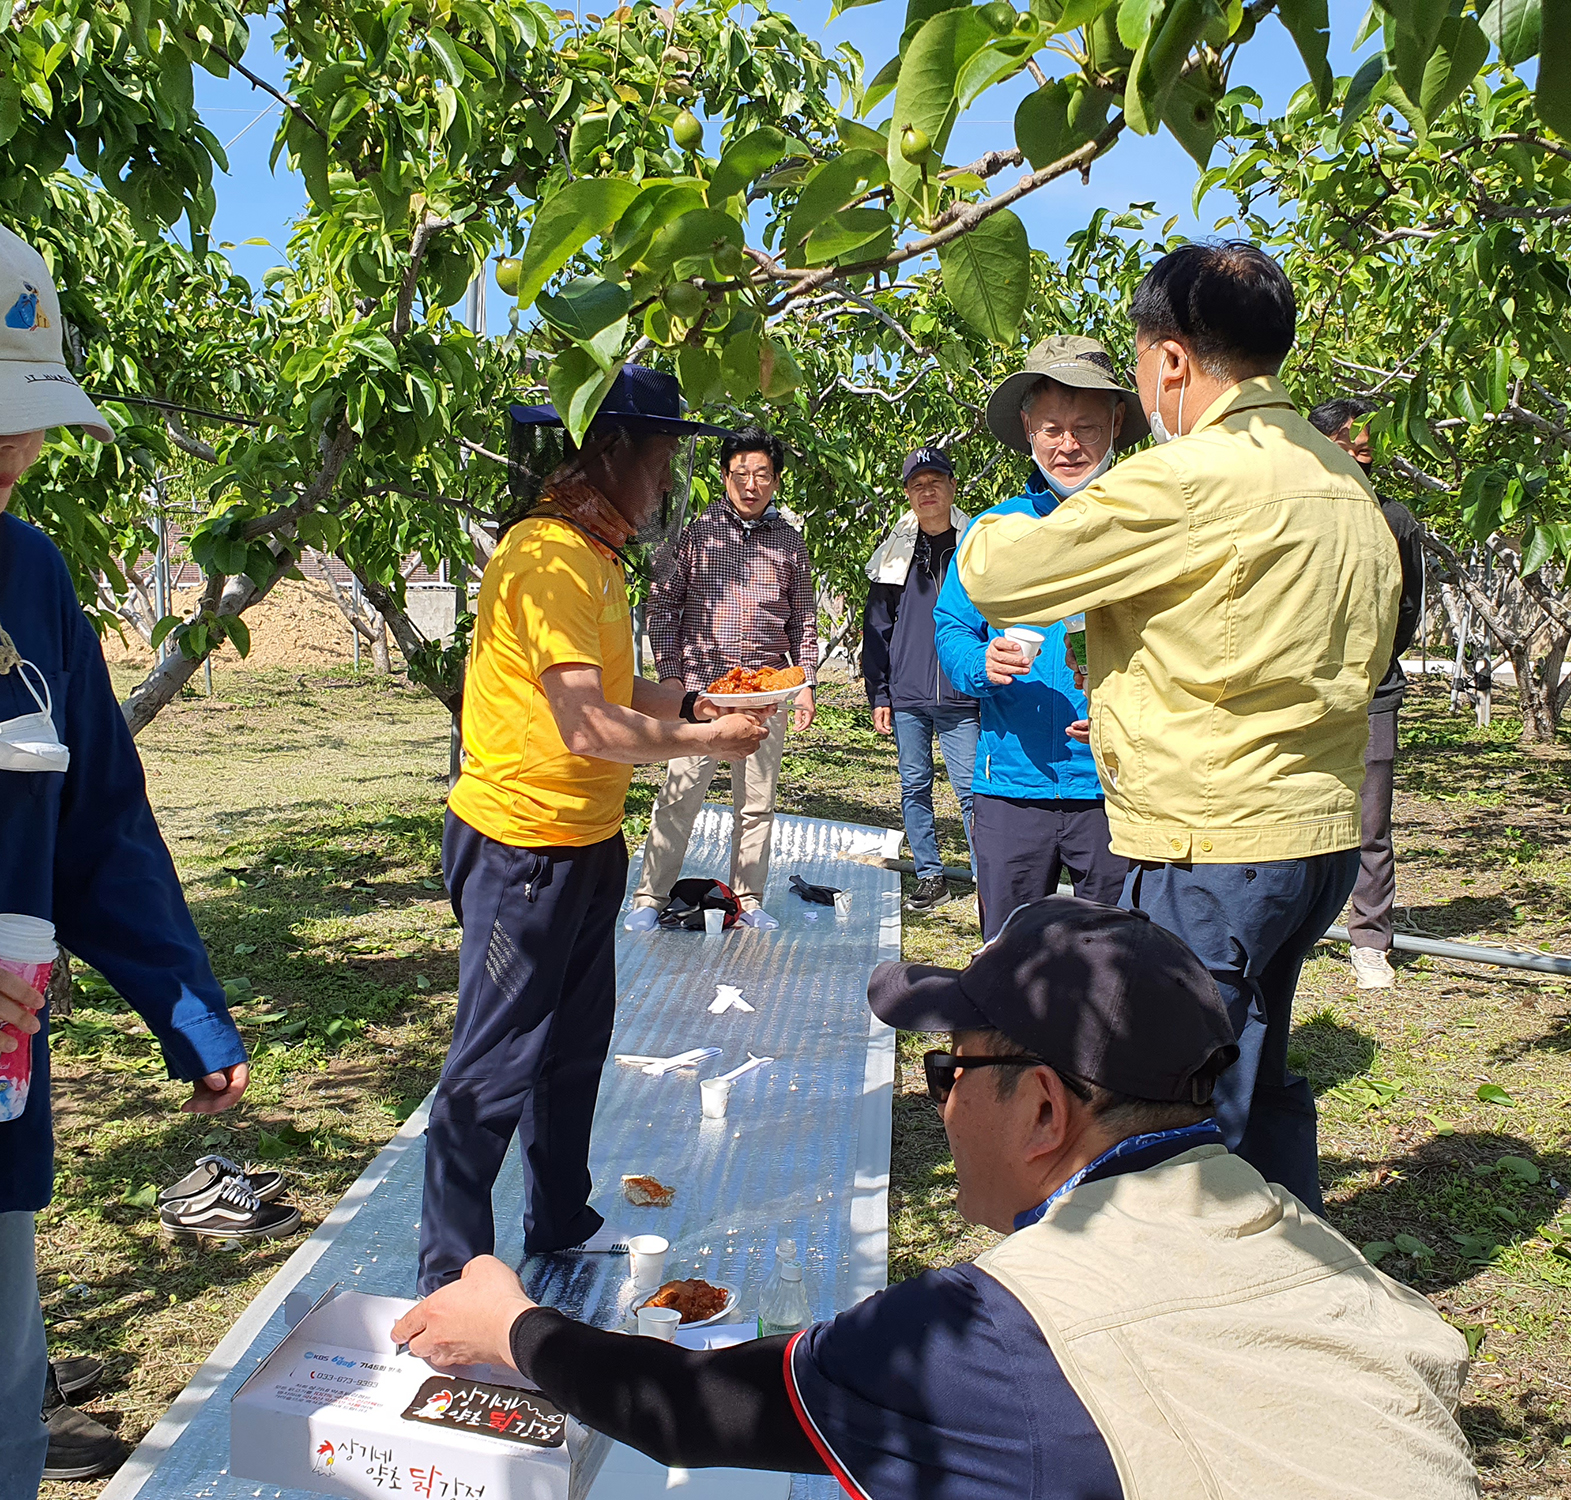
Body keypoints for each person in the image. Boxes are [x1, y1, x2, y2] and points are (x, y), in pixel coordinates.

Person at [390, 897, 1479, 1500]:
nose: (938, 1108)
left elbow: (687, 1407)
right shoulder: (1310, 1245)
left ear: (1044, 1110)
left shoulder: (991, 1337)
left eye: (946, 1071)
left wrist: (510, 1326)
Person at [955, 243, 1400, 1210]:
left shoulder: (1190, 475)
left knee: (1183, 1101)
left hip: (1215, 844)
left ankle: (1200, 1306)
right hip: (1314, 836)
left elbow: (997, 576)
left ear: (1167, 362)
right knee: (1262, 1078)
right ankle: (1295, 1273)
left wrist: (994, 521)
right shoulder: (1338, 475)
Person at [420, 367, 770, 1295]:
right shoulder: (545, 561)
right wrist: (707, 736)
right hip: (522, 849)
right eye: (657, 462)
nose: (664, 484)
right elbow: (587, 726)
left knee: (573, 1046)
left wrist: (697, 696)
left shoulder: (596, 557)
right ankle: (451, 1273)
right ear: (608, 452)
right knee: (495, 1066)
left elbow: (622, 692)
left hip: (584, 841)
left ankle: (560, 1216)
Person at [0, 224, 256, 1488]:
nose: (14, 452)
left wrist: (183, 999)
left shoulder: (30, 577)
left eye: (25, 419)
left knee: (1, 1396)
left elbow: (99, 820)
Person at [933, 337, 1140, 939]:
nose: (1068, 444)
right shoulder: (998, 531)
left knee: (1111, 951)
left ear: (1116, 423)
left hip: (1113, 784)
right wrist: (980, 660)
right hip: (1011, 783)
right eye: (1052, 426)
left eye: (1085, 427)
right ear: (1027, 427)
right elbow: (953, 624)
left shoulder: (1140, 527)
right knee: (1008, 951)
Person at [632, 428, 818, 919]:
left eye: (762, 475)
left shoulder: (789, 543)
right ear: (724, 476)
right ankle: (649, 898)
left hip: (765, 694)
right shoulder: (696, 533)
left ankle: (748, 898)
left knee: (755, 805)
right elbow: (664, 606)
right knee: (679, 797)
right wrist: (672, 679)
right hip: (703, 693)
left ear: (775, 480)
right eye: (741, 475)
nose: (751, 485)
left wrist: (805, 686)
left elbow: (804, 619)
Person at [1308, 397, 1425, 991]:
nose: (1360, 458)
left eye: (1367, 450)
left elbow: (1408, 610)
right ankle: (1297, 924)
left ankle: (1370, 940)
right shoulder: (1297, 513)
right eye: (1349, 446)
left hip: (1372, 692)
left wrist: (1369, 663)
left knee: (1369, 821)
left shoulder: (1395, 519)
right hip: (1299, 691)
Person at [861, 446, 979, 912]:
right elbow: (877, 628)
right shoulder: (895, 556)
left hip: (961, 691)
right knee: (914, 784)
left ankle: (986, 872)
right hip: (908, 693)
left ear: (952, 487)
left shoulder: (974, 547)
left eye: (935, 481)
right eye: (917, 484)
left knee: (971, 789)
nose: (926, 491)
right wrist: (880, 692)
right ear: (908, 494)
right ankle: (930, 875)